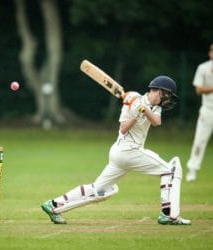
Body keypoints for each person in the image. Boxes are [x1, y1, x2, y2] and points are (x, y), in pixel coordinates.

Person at [41, 76, 191, 225]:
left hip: (124, 154)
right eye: (167, 95)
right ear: (159, 90)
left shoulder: (155, 107)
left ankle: (54, 205)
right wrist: (135, 115)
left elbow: (156, 122)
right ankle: (168, 214)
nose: (168, 99)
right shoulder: (132, 99)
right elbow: (123, 129)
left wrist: (143, 110)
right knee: (170, 171)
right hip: (127, 150)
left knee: (99, 190)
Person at [186, 43, 213, 182]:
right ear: (210, 53)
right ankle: (192, 170)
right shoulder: (203, 68)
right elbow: (198, 90)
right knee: (199, 141)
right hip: (208, 110)